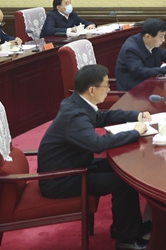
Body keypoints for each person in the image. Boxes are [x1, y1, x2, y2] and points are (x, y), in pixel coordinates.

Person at [38, 64, 153, 250]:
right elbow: (98, 144)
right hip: (61, 179)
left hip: (77, 165)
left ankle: (126, 227)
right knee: (122, 182)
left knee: (125, 170)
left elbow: (101, 118)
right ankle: (126, 240)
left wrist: (136, 116)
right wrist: (135, 133)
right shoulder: (74, 116)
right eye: (106, 85)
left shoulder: (77, 103)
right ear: (91, 90)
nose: (108, 89)